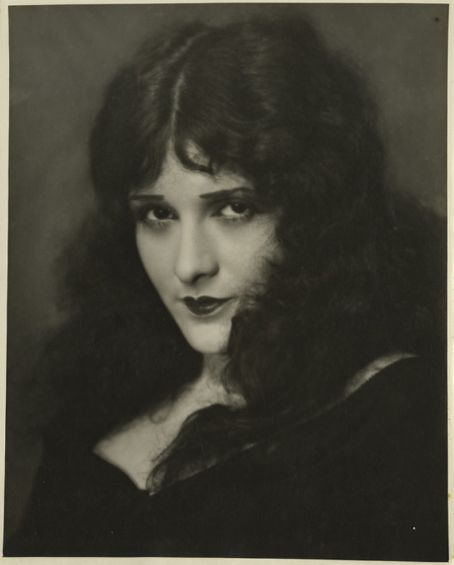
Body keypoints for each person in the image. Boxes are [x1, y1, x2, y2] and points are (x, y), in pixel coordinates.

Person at [5, 16, 447, 559]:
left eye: (234, 208)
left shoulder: (398, 413)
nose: (189, 265)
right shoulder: (89, 424)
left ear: (312, 210)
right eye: (158, 215)